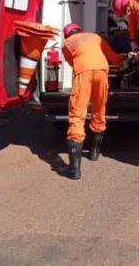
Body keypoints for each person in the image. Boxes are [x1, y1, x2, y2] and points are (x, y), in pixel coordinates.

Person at [58, 23, 124, 180]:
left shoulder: (67, 44)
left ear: (67, 35)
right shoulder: (95, 37)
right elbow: (112, 56)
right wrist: (122, 64)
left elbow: (72, 63)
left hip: (83, 73)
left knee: (77, 115)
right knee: (99, 110)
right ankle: (94, 152)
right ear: (80, 30)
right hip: (102, 71)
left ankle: (74, 168)